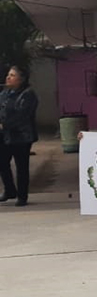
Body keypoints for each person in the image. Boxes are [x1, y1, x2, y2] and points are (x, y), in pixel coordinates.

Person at [0, 65, 37, 206]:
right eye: (8, 75)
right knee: (2, 163)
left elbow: (23, 115)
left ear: (21, 79)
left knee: (21, 166)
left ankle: (22, 196)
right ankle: (9, 190)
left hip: (21, 136)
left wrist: (5, 125)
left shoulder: (28, 94)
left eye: (12, 75)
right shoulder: (4, 93)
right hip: (4, 136)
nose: (8, 78)